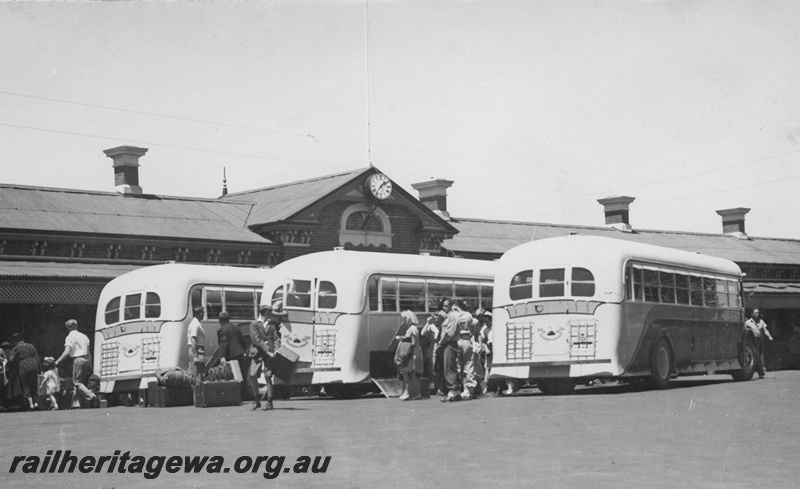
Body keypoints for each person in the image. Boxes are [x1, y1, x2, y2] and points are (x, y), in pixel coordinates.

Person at [248, 303, 283, 411]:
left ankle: (269, 401)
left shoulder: (272, 325)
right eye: (270, 313)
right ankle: (257, 399)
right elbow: (256, 340)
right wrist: (268, 351)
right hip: (257, 352)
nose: (272, 315)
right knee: (253, 374)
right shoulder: (254, 324)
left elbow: (276, 338)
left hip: (270, 354)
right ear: (266, 313)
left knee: (268, 376)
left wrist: (277, 350)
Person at [437, 299, 462, 402]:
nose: (444, 308)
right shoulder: (449, 316)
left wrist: (440, 343)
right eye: (443, 306)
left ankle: (453, 391)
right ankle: (454, 391)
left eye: (446, 306)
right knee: (449, 367)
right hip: (448, 344)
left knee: (449, 367)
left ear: (451, 306)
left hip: (449, 344)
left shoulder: (453, 316)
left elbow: (449, 333)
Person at [394, 311, 423, 401]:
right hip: (413, 353)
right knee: (412, 373)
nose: (403, 321)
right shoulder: (413, 328)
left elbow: (413, 342)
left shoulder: (412, 328)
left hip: (411, 353)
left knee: (406, 372)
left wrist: (402, 339)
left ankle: (407, 392)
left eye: (404, 319)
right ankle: (415, 393)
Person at [8, 333, 40, 411]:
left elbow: (11, 360)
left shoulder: (16, 348)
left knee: (25, 384)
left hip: (23, 365)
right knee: (34, 384)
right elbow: (37, 357)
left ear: (15, 341)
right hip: (34, 364)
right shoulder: (31, 346)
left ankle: (31, 405)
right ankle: (36, 403)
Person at [55, 319, 92, 385]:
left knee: (77, 383)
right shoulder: (84, 336)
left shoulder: (70, 337)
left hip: (78, 360)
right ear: (76, 326)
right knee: (83, 382)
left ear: (67, 327)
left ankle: (90, 395)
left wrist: (57, 361)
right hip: (86, 360)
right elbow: (88, 352)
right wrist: (90, 364)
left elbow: (67, 352)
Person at [217, 311, 246, 380]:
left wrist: (222, 356)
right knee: (241, 374)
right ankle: (242, 389)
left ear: (220, 321)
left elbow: (224, 343)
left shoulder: (223, 329)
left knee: (232, 375)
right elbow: (243, 341)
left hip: (231, 355)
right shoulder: (236, 328)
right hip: (240, 354)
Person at [746, 308, 773, 379]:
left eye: (758, 313)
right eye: (756, 313)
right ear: (752, 314)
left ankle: (757, 371)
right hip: (752, 340)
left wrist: (769, 336)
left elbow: (765, 330)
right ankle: (761, 372)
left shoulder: (761, 321)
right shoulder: (748, 322)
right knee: (756, 355)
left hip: (759, 340)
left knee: (757, 356)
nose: (757, 314)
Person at [187, 307, 206, 385]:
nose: (203, 315)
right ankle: (198, 392)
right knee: (197, 374)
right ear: (200, 313)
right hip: (197, 349)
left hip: (198, 349)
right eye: (203, 313)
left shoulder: (196, 323)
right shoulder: (195, 324)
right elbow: (193, 339)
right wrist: (195, 356)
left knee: (196, 372)